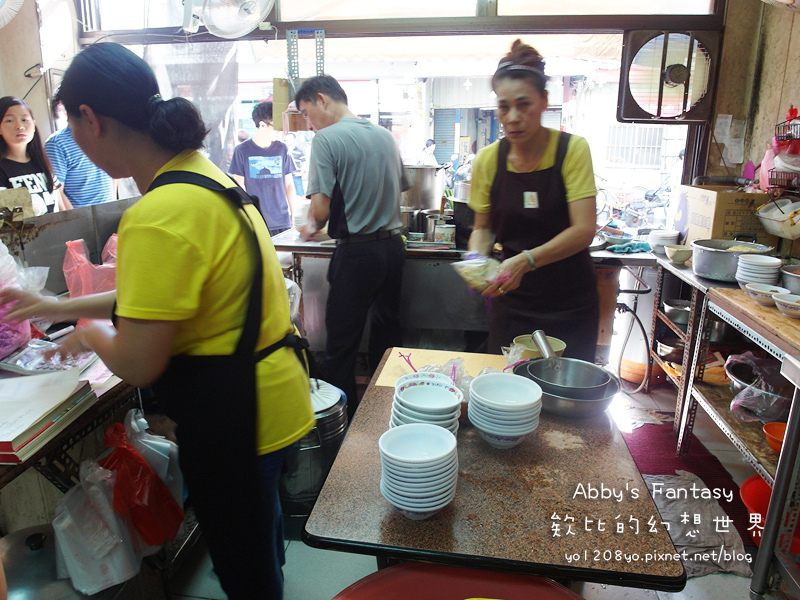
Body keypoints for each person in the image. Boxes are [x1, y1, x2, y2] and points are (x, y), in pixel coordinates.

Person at [0, 43, 314, 600]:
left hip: (236, 419)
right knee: (262, 550)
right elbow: (162, 296)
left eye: (69, 125)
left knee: (247, 577)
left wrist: (89, 335)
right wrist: (57, 307)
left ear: (89, 119)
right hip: (272, 396)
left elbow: (140, 364)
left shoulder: (157, 213)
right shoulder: (201, 176)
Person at [467, 39, 599, 363]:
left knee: (565, 403)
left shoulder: (572, 150)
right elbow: (483, 229)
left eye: (523, 104)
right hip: (513, 304)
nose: (512, 117)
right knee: (506, 397)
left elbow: (584, 230)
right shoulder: (487, 160)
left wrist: (524, 261)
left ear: (544, 101)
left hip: (570, 304)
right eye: (503, 106)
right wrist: (475, 264)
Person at [295, 75, 407, 418]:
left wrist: (309, 228)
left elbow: (320, 210)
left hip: (357, 255)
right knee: (386, 340)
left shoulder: (327, 140)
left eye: (306, 113)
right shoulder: (384, 135)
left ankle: (344, 427)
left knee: (341, 347)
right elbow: (400, 188)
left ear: (322, 99)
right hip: (392, 249)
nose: (309, 124)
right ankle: (386, 411)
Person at [229, 101, 297, 236]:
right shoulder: (242, 150)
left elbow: (289, 184)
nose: (280, 132)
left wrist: (293, 214)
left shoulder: (282, 149)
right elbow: (238, 186)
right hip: (257, 219)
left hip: (282, 219)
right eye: (276, 127)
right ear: (262, 125)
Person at [0, 96, 66, 215]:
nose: (19, 126)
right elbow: (10, 222)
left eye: (25, 119)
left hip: (57, 232)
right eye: (9, 120)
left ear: (34, 124)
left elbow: (61, 207)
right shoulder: (2, 169)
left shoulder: (42, 162)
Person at [45, 104, 115, 207]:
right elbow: (57, 191)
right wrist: (75, 219)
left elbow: (114, 176)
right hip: (81, 218)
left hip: (109, 213)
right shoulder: (57, 143)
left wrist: (112, 204)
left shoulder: (105, 136)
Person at [284, 131, 306, 196]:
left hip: (296, 175)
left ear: (294, 140)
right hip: (286, 175)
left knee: (301, 194)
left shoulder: (300, 151)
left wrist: (301, 173)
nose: (288, 140)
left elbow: (304, 163)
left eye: (290, 139)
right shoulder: (283, 150)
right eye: (287, 139)